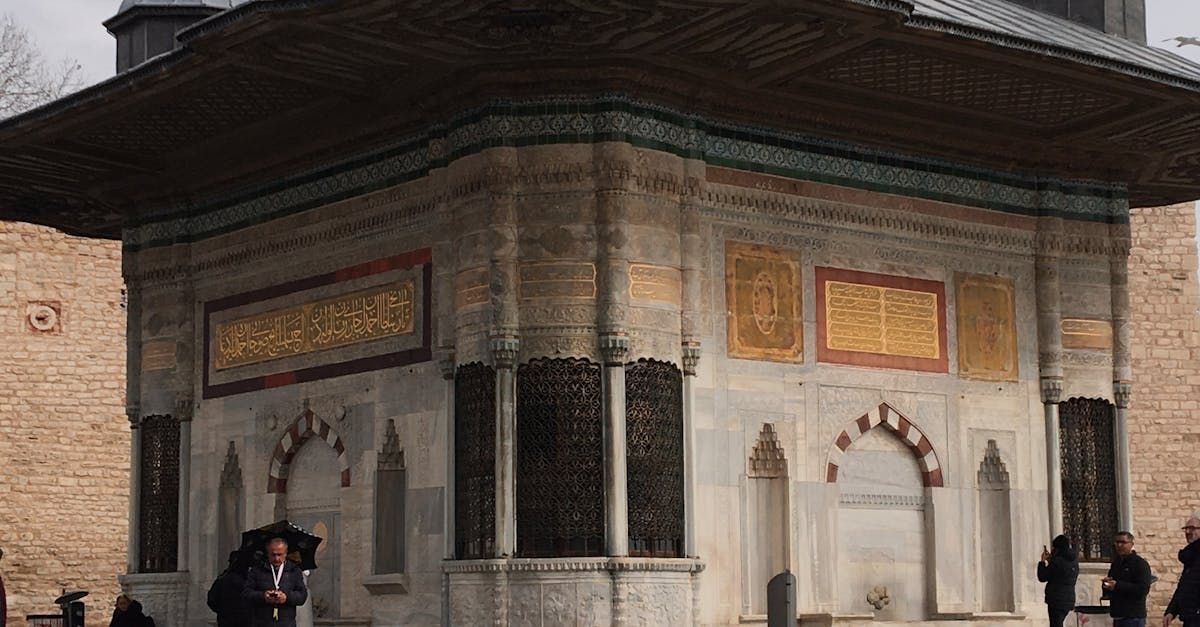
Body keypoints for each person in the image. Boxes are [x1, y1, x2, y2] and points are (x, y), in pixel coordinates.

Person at [242, 537, 308, 627]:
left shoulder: (294, 571)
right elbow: (246, 594)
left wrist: (286, 597)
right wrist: (263, 596)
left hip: (286, 623)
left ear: (285, 554)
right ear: (267, 554)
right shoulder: (257, 570)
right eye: (273, 555)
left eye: (280, 554)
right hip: (262, 623)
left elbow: (302, 596)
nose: (276, 558)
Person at [1104, 531, 1153, 627]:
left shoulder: (1139, 564)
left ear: (1131, 544)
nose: (1119, 545)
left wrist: (1118, 585)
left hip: (1133, 616)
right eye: (1117, 542)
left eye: (1123, 542)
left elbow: (1142, 589)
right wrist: (1107, 585)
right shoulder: (1116, 564)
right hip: (1118, 615)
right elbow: (1112, 585)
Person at [1165, 512, 1200, 627]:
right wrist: (1171, 611)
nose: (1188, 532)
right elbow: (1184, 586)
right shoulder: (1191, 555)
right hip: (1190, 617)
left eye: (1192, 528)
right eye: (1186, 529)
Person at [1038, 534, 1079, 627]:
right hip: (1068, 599)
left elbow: (1043, 576)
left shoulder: (1057, 562)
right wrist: (1051, 561)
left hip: (1056, 599)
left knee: (1055, 624)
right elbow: (1060, 574)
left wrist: (1042, 562)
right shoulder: (1073, 561)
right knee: (1058, 623)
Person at [208, 550, 252, 627]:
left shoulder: (223, 579)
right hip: (237, 619)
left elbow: (212, 600)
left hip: (229, 619)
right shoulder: (248, 581)